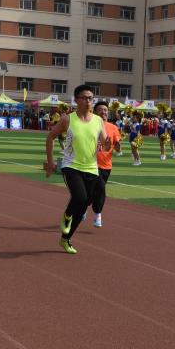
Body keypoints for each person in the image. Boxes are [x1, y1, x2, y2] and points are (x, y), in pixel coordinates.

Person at [45, 85, 109, 254]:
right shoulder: (67, 119)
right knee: (80, 197)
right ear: (76, 100)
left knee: (83, 206)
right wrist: (51, 162)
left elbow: (105, 143)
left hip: (91, 168)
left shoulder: (98, 121)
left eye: (90, 98)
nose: (88, 101)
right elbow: (51, 137)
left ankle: (65, 239)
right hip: (71, 166)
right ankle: (67, 215)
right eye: (84, 98)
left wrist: (111, 144)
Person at [90, 100, 122, 227]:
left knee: (94, 191)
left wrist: (118, 145)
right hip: (90, 164)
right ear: (95, 112)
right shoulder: (89, 125)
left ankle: (82, 207)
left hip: (106, 166)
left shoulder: (113, 128)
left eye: (105, 110)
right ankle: (98, 215)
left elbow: (118, 149)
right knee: (101, 188)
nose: (103, 112)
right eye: (100, 110)